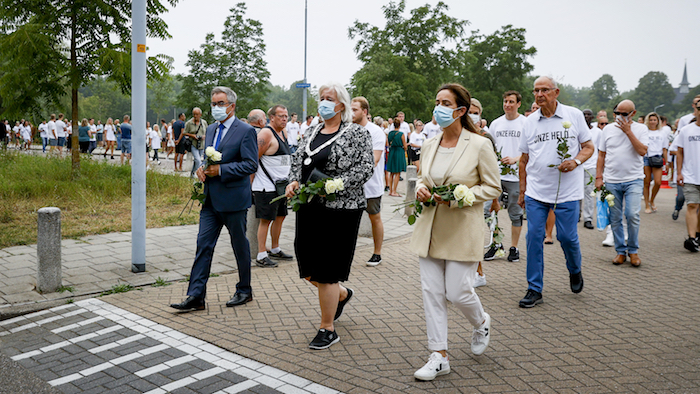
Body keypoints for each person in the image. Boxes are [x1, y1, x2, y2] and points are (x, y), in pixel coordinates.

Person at [410, 83, 500, 381]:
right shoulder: (429, 144)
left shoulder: (479, 144)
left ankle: (481, 320)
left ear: (461, 110)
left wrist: (462, 196)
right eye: (437, 101)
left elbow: (492, 187)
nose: (439, 107)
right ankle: (439, 355)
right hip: (431, 228)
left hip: (462, 228)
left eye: (445, 103)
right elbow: (423, 178)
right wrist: (422, 189)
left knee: (458, 291)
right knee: (432, 293)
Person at [284, 82, 374, 350]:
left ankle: (327, 328)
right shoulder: (312, 131)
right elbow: (297, 162)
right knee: (308, 265)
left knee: (327, 271)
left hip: (341, 210)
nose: (323, 102)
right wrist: (292, 181)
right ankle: (342, 295)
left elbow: (365, 168)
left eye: (329, 98)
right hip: (310, 207)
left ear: (341, 106)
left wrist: (335, 185)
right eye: (321, 98)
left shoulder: (357, 134)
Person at [170, 86, 259, 311]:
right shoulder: (210, 129)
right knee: (203, 245)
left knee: (240, 246)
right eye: (213, 103)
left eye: (220, 103)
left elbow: (251, 164)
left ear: (232, 106)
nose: (216, 108)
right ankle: (196, 296)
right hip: (210, 200)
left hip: (234, 201)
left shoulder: (245, 130)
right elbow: (207, 158)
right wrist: (202, 168)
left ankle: (244, 290)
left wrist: (221, 171)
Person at [517, 76, 594, 308]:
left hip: (567, 192)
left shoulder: (574, 115)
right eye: (536, 91)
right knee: (533, 238)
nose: (540, 94)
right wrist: (522, 192)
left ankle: (575, 270)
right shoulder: (529, 122)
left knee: (567, 237)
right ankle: (534, 288)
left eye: (544, 90)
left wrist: (576, 161)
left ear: (556, 92)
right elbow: (523, 159)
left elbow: (589, 147)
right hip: (537, 192)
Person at [596, 100, 649, 267]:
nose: (619, 117)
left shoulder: (641, 129)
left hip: (634, 179)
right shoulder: (608, 130)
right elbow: (601, 155)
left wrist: (628, 132)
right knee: (615, 217)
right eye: (617, 113)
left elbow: (642, 151)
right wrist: (599, 177)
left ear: (633, 114)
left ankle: (633, 250)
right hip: (612, 179)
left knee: (632, 214)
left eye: (624, 114)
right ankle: (620, 251)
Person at [485, 90, 527, 262]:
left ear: (518, 104)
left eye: (511, 101)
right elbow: (490, 148)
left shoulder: (525, 123)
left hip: (516, 176)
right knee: (487, 210)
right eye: (505, 101)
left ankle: (514, 248)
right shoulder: (496, 124)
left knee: (515, 213)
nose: (507, 105)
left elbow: (530, 150)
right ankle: (496, 243)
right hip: (496, 176)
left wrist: (516, 159)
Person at [251, 104, 293, 268]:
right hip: (265, 187)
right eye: (281, 116)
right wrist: (251, 185)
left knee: (280, 217)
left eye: (286, 116)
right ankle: (261, 254)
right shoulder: (266, 133)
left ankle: (275, 248)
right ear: (272, 117)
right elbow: (253, 159)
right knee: (266, 220)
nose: (284, 119)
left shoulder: (283, 132)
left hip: (281, 187)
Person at [352, 96, 386, 266]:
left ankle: (377, 253)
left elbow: (375, 160)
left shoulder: (376, 132)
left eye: (355, 109)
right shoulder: (348, 130)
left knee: (375, 218)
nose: (351, 113)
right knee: (349, 220)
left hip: (371, 185)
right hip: (351, 186)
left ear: (364, 112)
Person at [675, 101, 700, 252]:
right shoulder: (686, 130)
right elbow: (679, 151)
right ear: (695, 109)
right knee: (692, 205)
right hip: (690, 175)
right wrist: (679, 172)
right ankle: (691, 239)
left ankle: (697, 234)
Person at [642, 112, 669, 214]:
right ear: (647, 121)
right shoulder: (645, 132)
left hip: (657, 158)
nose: (652, 122)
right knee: (647, 182)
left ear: (658, 121)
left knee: (658, 182)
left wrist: (667, 163)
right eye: (651, 120)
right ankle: (647, 204)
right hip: (646, 158)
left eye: (654, 120)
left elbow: (665, 149)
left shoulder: (662, 133)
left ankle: (652, 199)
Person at [581, 109, 601, 229]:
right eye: (584, 114)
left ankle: (588, 218)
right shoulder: (576, 129)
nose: (586, 116)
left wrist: (599, 169)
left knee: (588, 192)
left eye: (589, 114)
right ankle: (576, 214)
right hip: (578, 165)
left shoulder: (598, 132)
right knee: (576, 191)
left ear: (592, 117)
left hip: (591, 165)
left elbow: (600, 150)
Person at [184, 108, 209, 178]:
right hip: (193, 144)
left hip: (201, 144)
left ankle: (192, 175)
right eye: (194, 114)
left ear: (200, 115)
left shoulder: (204, 123)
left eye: (197, 114)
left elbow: (208, 131)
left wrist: (204, 136)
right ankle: (200, 175)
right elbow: (184, 133)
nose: (195, 116)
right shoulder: (189, 123)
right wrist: (193, 135)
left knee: (196, 161)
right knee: (198, 160)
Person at [386, 118, 407, 197]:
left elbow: (388, 143)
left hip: (392, 151)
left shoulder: (390, 133)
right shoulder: (401, 134)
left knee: (391, 172)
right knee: (398, 172)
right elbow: (405, 146)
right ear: (400, 125)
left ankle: (390, 190)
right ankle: (394, 191)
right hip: (399, 151)